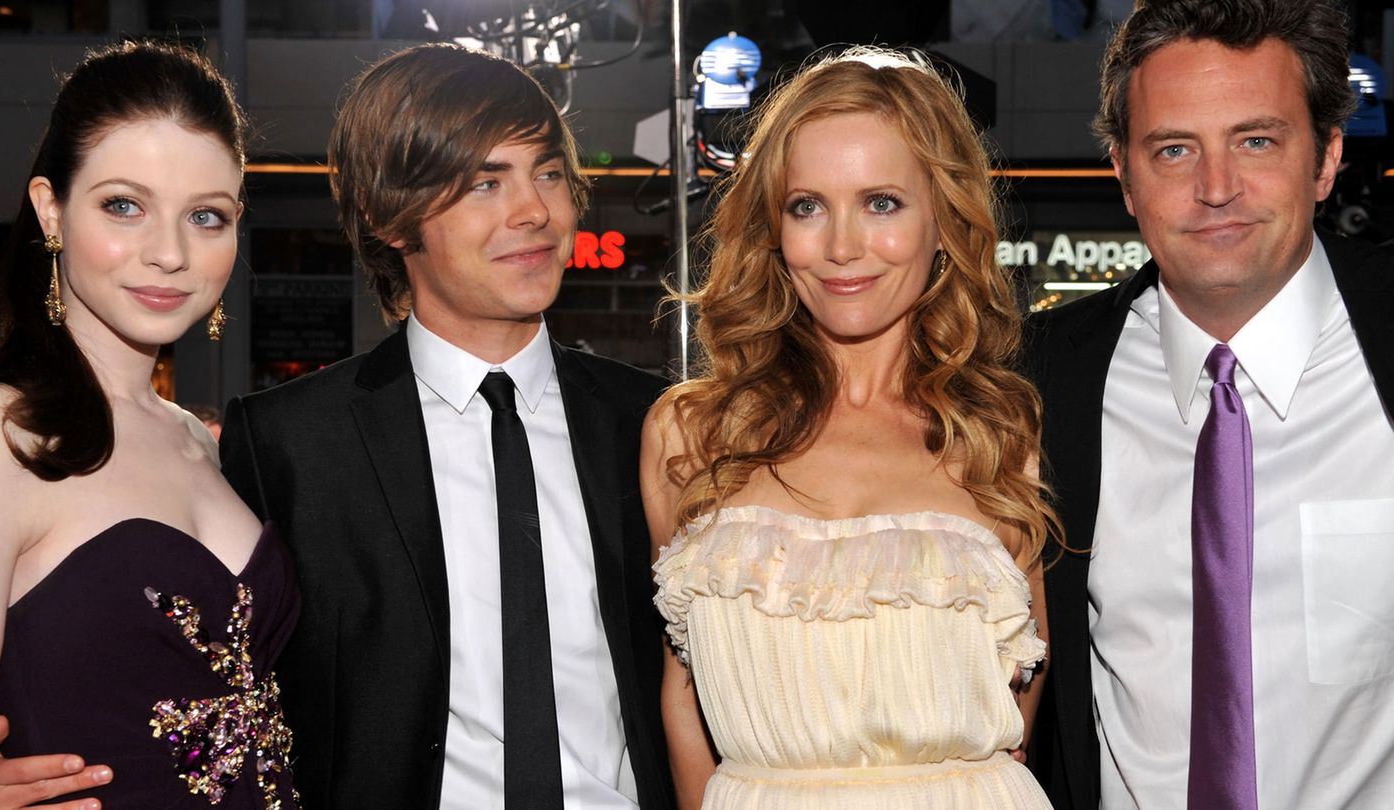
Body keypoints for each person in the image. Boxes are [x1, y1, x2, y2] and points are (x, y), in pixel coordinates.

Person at [218, 43, 675, 808]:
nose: (535, 212)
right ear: (388, 216)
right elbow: (217, 689)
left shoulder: (655, 423)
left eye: (548, 173)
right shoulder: (289, 445)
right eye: (485, 183)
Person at [643, 47, 1060, 808]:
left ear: (944, 221)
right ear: (773, 229)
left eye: (882, 203)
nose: (841, 246)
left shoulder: (998, 432)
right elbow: (683, 693)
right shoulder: (693, 433)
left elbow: (1020, 698)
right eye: (807, 206)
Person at [1025, 1, 1394, 807]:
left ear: (1327, 159)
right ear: (1124, 176)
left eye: (1256, 141)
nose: (1217, 189)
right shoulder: (1037, 382)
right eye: (1174, 150)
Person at [0, 40, 300, 809]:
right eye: (124, 205)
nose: (170, 253)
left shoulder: (198, 441)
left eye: (206, 217)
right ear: (51, 208)